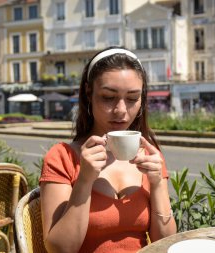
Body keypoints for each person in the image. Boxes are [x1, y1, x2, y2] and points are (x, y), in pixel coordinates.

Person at [39, 47, 176, 253]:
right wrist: (84, 180)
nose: (121, 110)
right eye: (108, 97)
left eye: (132, 99)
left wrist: (157, 185)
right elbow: (60, 249)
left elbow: (165, 243)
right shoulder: (63, 157)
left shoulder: (150, 156)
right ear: (89, 93)